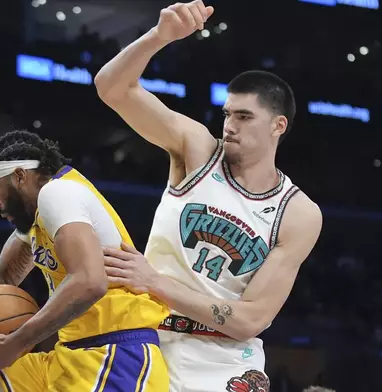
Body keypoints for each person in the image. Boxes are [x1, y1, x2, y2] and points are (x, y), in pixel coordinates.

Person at [94, 1, 323, 391]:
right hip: (150, 334)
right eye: (227, 114)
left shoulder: (298, 213)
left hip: (224, 358)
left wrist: (154, 282)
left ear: (278, 125)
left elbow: (250, 320)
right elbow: (111, 88)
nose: (230, 126)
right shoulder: (197, 148)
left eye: (244, 117)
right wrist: (158, 37)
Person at [0, 130, 170, 392]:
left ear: (20, 176)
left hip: (116, 357)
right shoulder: (40, 216)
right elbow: (3, 274)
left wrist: (16, 343)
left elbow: (90, 281)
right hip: (68, 356)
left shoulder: (58, 193)